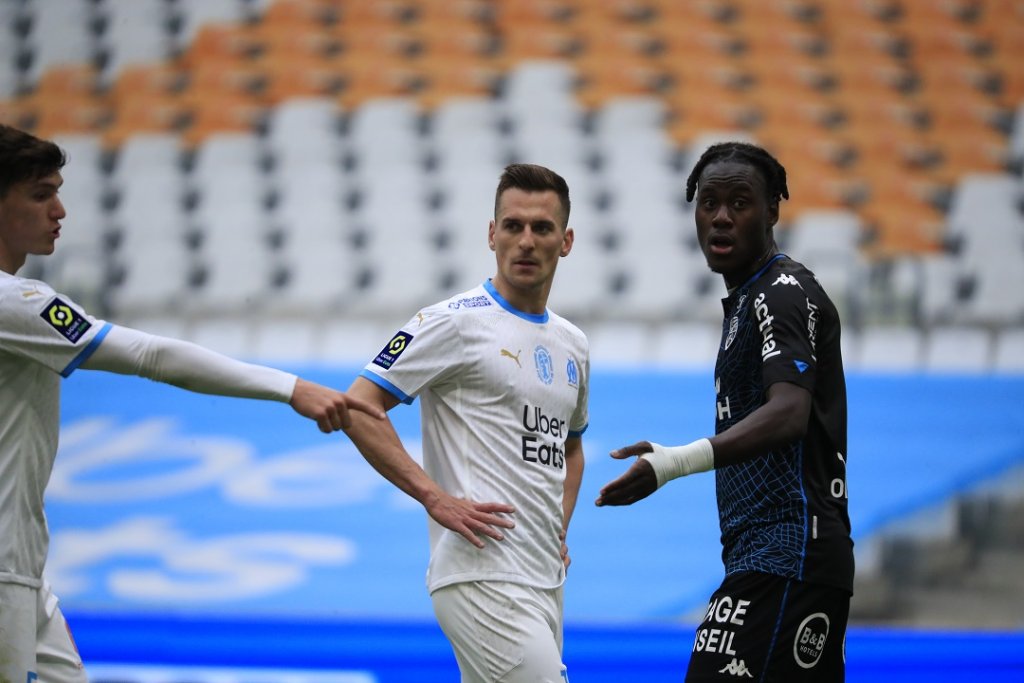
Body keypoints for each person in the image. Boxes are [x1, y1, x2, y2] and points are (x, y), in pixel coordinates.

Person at [0, 123, 384, 683]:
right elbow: (151, 355)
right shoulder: (16, 303)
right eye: (40, 194)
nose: (60, 210)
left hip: (24, 567)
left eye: (58, 190)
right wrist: (290, 387)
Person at [596, 142, 853, 682]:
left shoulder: (781, 294)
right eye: (708, 202)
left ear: (773, 211)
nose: (721, 217)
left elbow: (789, 413)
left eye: (740, 203)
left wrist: (674, 463)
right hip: (777, 557)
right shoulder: (750, 298)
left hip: (787, 554)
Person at [341, 163, 588, 682]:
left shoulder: (573, 344)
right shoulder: (453, 321)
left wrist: (556, 525)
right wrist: (435, 497)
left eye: (541, 228)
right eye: (513, 225)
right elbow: (360, 405)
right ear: (491, 234)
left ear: (565, 242)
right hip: (481, 574)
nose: (525, 240)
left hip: (544, 579)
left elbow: (569, 447)